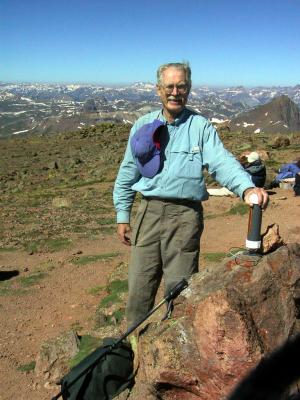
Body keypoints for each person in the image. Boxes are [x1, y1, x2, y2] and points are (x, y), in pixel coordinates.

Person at [113, 62, 269, 327]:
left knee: (180, 289)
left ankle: (173, 349)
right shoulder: (143, 124)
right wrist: (122, 213)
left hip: (185, 217)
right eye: (169, 86)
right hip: (148, 213)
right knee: (140, 286)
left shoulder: (200, 126)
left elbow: (222, 162)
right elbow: (128, 171)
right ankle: (131, 348)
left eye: (181, 86)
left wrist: (246, 187)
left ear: (189, 88)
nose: (175, 92)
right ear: (158, 89)